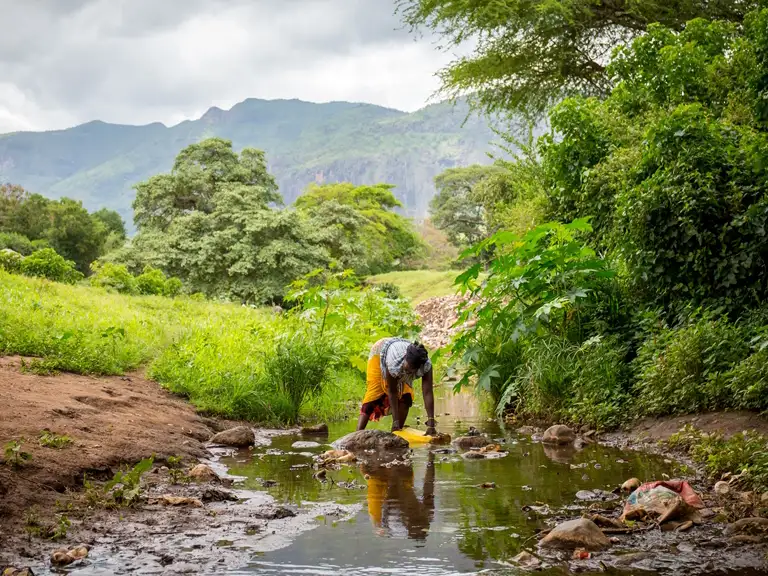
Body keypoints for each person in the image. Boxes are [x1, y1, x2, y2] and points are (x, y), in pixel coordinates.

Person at [357, 337, 436, 434]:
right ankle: (356, 435)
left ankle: (396, 434)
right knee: (373, 396)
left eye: (411, 370)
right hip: (379, 352)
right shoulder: (394, 363)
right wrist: (395, 420)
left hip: (397, 349)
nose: (407, 372)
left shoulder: (426, 365)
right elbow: (392, 391)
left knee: (406, 397)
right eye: (407, 368)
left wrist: (431, 421)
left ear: (418, 368)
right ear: (405, 358)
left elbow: (428, 392)